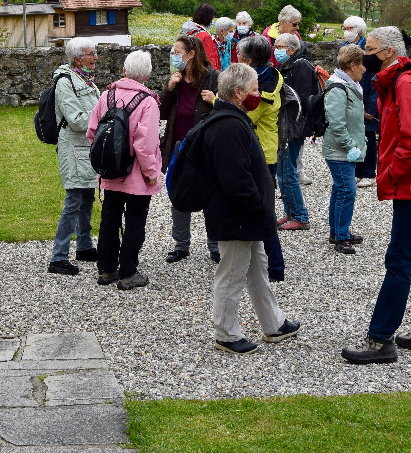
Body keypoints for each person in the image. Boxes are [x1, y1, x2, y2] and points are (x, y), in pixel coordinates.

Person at [342, 26, 411, 364]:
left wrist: (389, 174)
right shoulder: (402, 80)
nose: (364, 53)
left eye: (370, 47)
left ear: (388, 52)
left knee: (399, 259)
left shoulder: (404, 83)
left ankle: (380, 339)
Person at [201, 63, 301, 354]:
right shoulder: (228, 126)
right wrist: (257, 207)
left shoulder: (233, 118)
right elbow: (235, 179)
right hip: (237, 215)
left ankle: (273, 323)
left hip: (245, 214)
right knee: (231, 272)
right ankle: (226, 334)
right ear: (239, 93)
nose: (260, 94)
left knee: (257, 266)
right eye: (256, 89)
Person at [86, 50, 161, 290]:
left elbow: (92, 133)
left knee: (109, 217)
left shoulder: (107, 95)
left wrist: (106, 159)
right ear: (147, 75)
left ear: (125, 71)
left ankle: (106, 269)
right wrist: (151, 173)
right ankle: (128, 272)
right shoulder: (147, 101)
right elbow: (145, 144)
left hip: (110, 170)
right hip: (137, 173)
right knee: (135, 221)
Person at [162, 35, 220, 263]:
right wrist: (168, 89)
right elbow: (161, 113)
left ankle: (215, 245)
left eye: (178, 52)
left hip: (204, 148)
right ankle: (181, 245)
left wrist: (215, 100)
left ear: (192, 54)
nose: (174, 56)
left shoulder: (212, 78)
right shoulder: (175, 80)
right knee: (179, 195)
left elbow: (228, 110)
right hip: (179, 148)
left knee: (211, 196)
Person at [47, 38, 101, 275]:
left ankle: (84, 246)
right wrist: (103, 115)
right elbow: (77, 119)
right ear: (78, 58)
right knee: (73, 202)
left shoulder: (86, 79)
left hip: (86, 148)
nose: (96, 57)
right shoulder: (64, 82)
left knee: (87, 197)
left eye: (96, 52)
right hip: (73, 149)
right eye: (91, 53)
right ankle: (58, 257)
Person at [235, 34, 286, 280]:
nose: (237, 60)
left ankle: (275, 267)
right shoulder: (266, 79)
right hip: (262, 152)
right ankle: (257, 264)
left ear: (251, 60)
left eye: (240, 57)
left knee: (263, 212)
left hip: (262, 155)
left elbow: (245, 118)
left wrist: (216, 101)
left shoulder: (261, 91)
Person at [324, 44, 368, 254]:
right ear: (352, 65)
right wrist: (351, 147)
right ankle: (341, 236)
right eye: (362, 65)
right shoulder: (338, 88)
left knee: (340, 189)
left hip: (343, 150)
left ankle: (336, 232)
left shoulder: (348, 85)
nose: (365, 69)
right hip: (340, 151)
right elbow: (337, 123)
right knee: (347, 191)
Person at [273, 32, 315, 230]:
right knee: (282, 170)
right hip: (284, 124)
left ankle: (300, 215)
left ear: (291, 49)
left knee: (288, 171)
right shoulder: (285, 65)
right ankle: (289, 212)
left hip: (293, 126)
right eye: (276, 46)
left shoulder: (301, 66)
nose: (277, 50)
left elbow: (301, 99)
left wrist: (293, 126)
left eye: (280, 47)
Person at [342, 16, 379, 188]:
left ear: (359, 30)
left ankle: (369, 173)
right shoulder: (344, 48)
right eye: (345, 27)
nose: (346, 31)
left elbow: (374, 80)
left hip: (366, 98)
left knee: (368, 137)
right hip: (351, 98)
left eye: (350, 28)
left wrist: (371, 107)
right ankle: (357, 171)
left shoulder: (368, 50)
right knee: (354, 135)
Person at [181, 3, 223, 70]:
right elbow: (210, 59)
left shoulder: (188, 33)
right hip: (204, 73)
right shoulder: (205, 36)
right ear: (207, 18)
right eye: (212, 18)